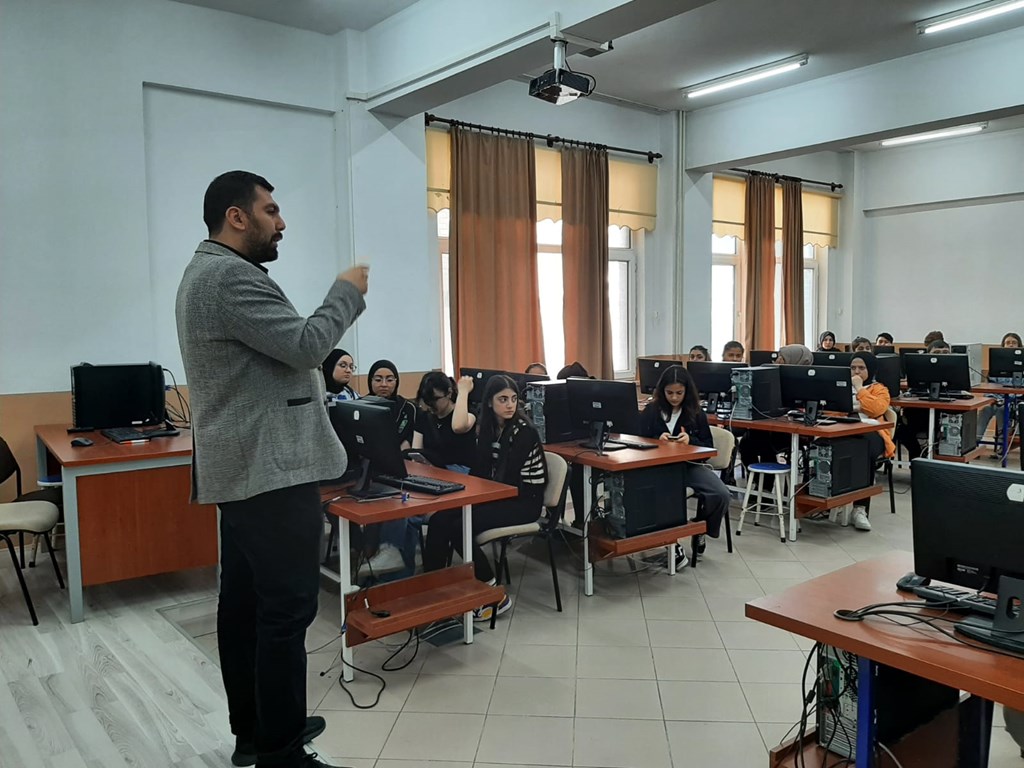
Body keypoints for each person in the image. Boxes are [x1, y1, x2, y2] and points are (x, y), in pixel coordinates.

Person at [176, 170, 368, 768]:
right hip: (270, 470)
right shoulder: (229, 278)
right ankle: (281, 752)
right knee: (285, 612)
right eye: (271, 210)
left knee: (247, 608)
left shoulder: (210, 273)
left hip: (250, 471)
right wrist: (345, 292)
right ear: (237, 217)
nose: (281, 221)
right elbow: (309, 345)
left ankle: (256, 733)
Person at [422, 374, 547, 620]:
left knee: (460, 527)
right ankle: (433, 588)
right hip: (498, 496)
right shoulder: (488, 429)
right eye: (503, 399)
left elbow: (508, 481)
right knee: (439, 520)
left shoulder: (525, 432)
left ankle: (493, 594)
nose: (510, 404)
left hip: (523, 502)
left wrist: (475, 500)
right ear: (490, 403)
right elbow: (480, 471)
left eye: (513, 399)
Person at [636, 365, 730, 561]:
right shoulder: (651, 411)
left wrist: (690, 443)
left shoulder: (696, 413)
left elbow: (707, 448)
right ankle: (673, 544)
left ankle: (701, 528)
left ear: (687, 392)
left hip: (688, 466)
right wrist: (655, 439)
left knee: (721, 494)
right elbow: (637, 440)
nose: (674, 397)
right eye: (669, 392)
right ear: (662, 391)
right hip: (658, 468)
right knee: (666, 496)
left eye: (679, 393)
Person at [839, 352, 895, 532]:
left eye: (861, 368)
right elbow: (832, 409)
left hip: (873, 433)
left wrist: (860, 388)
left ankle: (860, 509)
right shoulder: (840, 386)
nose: (856, 371)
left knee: (863, 451)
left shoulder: (879, 389)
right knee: (820, 446)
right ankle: (818, 500)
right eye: (853, 368)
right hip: (843, 429)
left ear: (870, 370)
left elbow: (875, 409)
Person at [412, 371, 476, 471]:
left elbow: (458, 427)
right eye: (426, 400)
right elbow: (415, 451)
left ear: (449, 393)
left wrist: (463, 391)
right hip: (432, 471)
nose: (430, 405)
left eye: (435, 399)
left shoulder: (466, 413)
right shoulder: (424, 416)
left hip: (460, 473)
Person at [977, 332, 1023, 445]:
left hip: (1015, 402)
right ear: (1003, 346)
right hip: (996, 400)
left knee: (1003, 410)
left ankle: (1002, 445)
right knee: (984, 411)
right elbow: (991, 385)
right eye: (1008, 343)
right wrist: (996, 399)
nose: (1011, 345)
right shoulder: (996, 364)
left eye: (1014, 343)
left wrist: (1007, 400)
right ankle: (974, 443)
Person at [366, 359, 416, 450]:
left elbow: (416, 433)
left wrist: (409, 441)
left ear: (396, 382)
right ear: (370, 381)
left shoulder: (407, 407)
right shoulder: (360, 406)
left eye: (389, 380)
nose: (384, 384)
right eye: (378, 380)